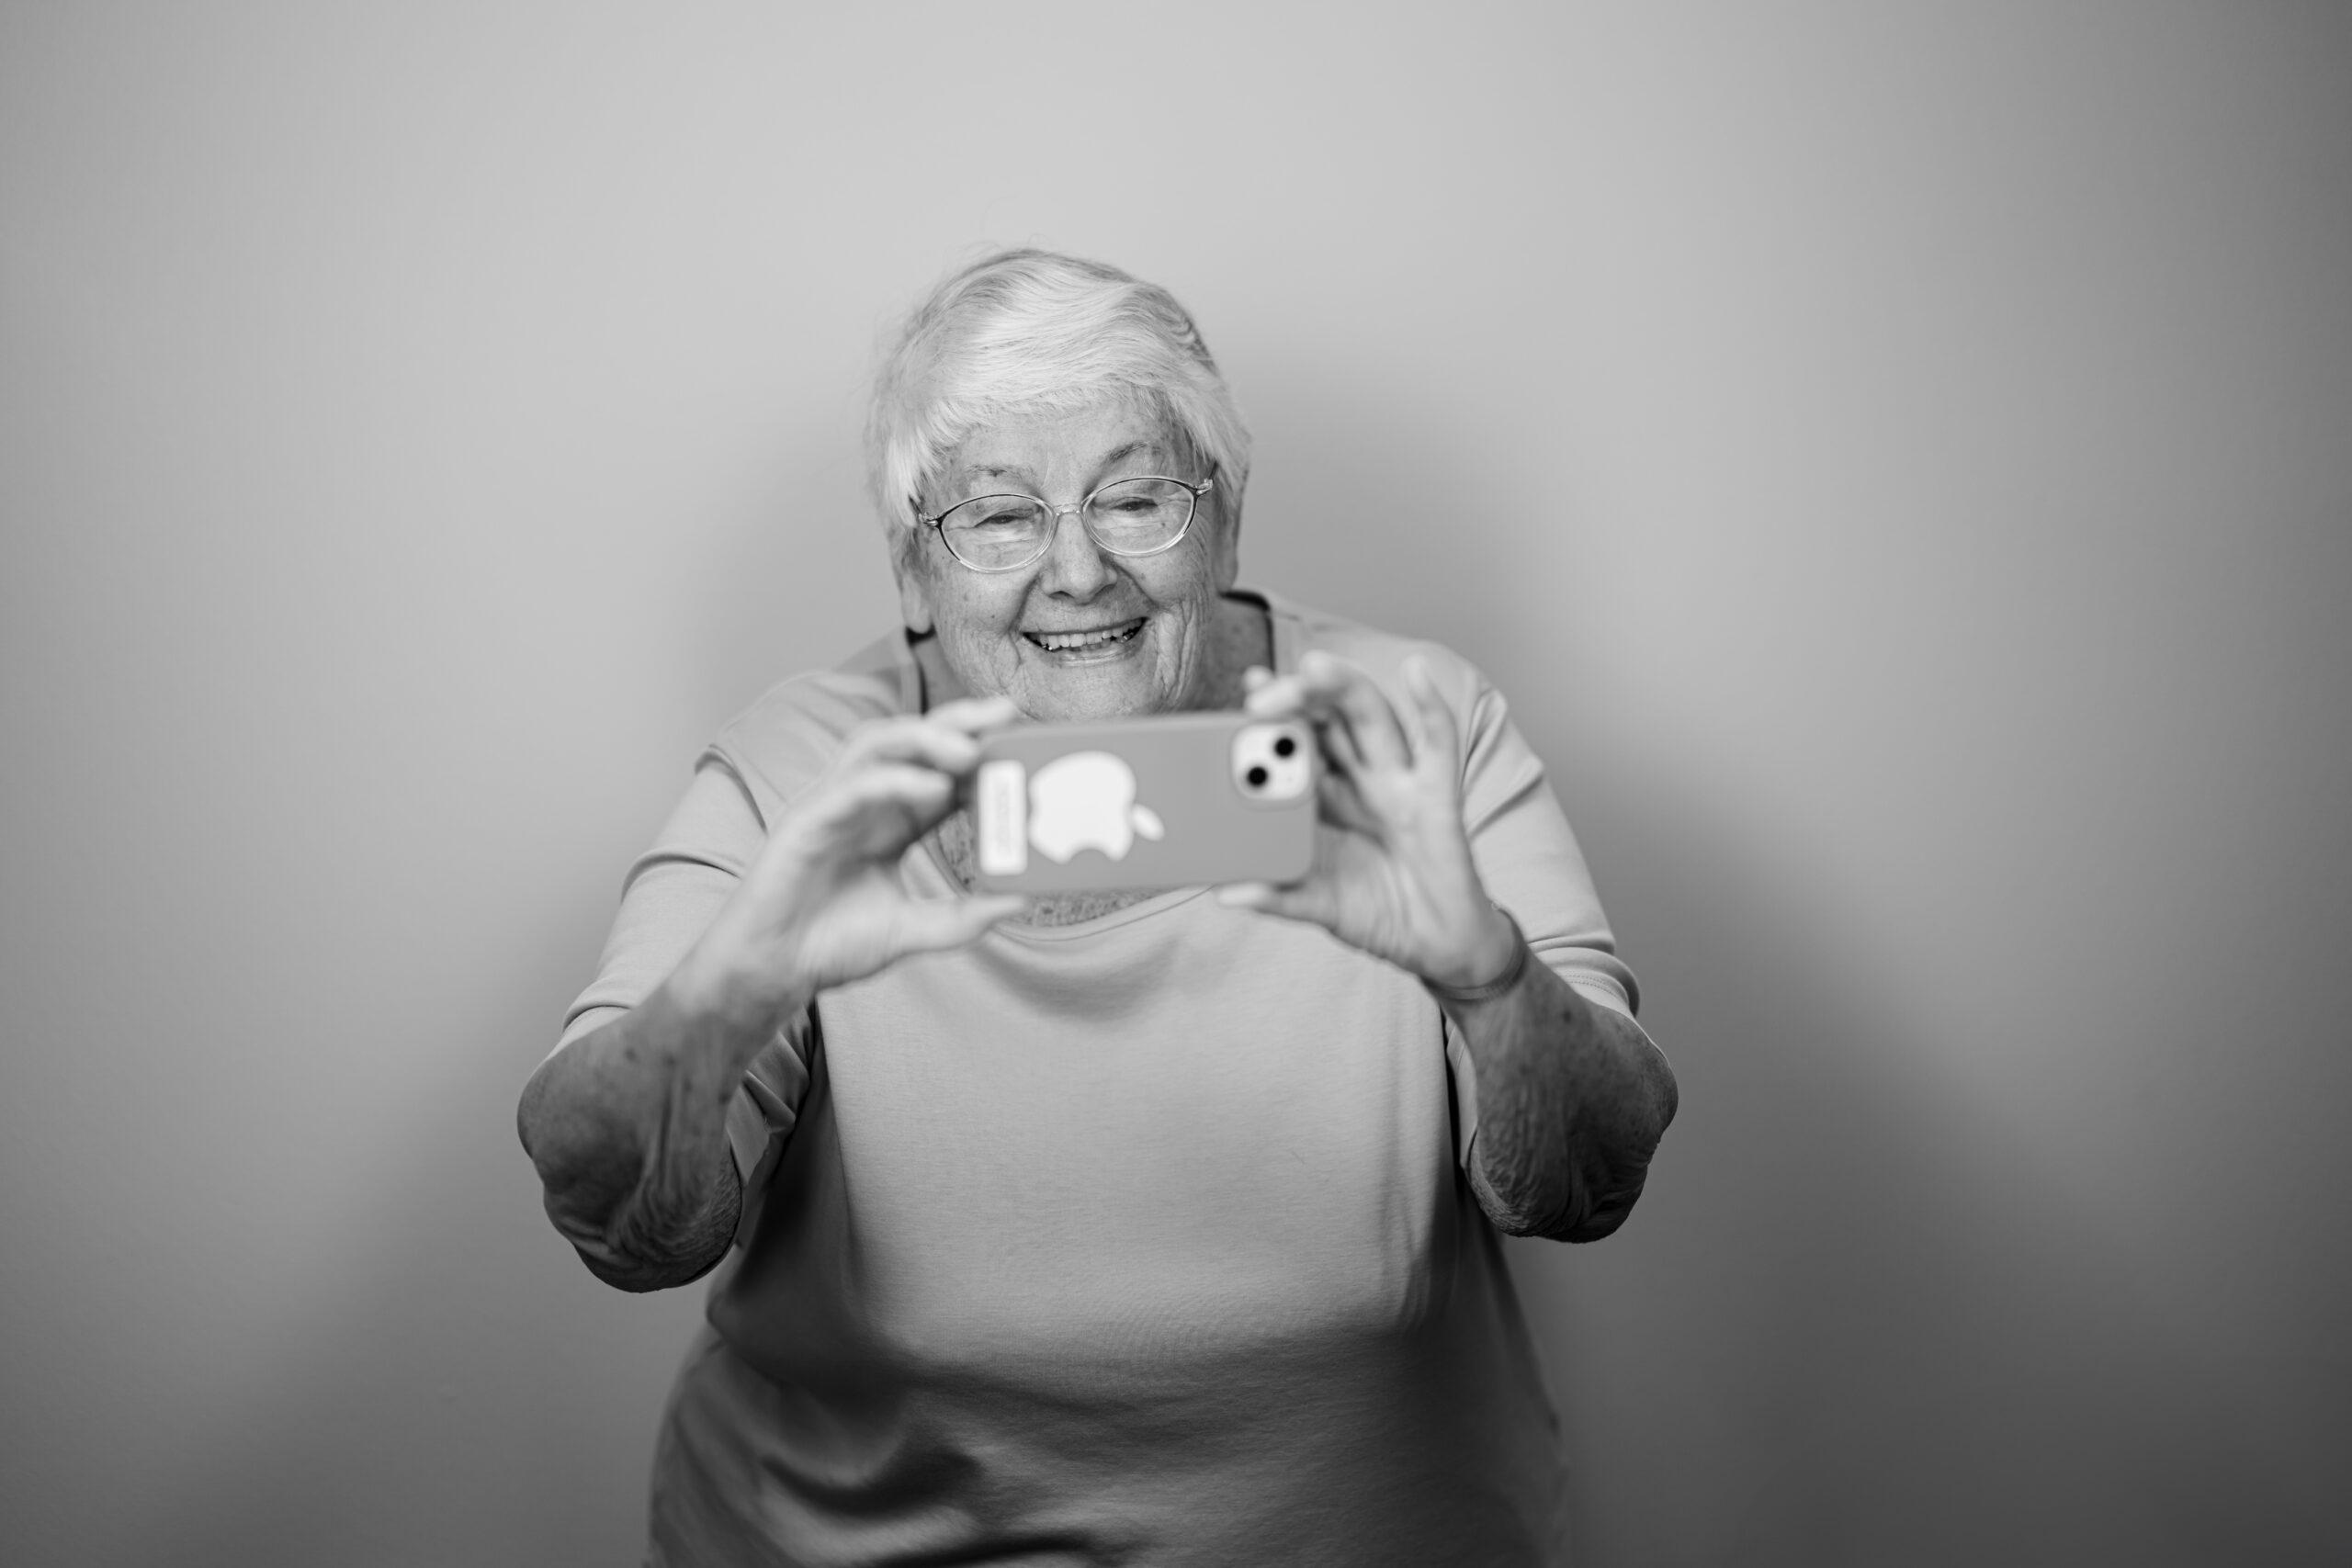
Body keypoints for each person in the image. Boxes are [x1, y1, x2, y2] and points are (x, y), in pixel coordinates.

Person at [517, 249, 1679, 1566]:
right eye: (999, 518)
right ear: (912, 571)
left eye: (1136, 501)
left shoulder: (1410, 727)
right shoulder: (802, 776)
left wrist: (1485, 974)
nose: (1078, 573)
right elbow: (613, 1214)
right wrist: (732, 994)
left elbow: (1591, 1179)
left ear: (1225, 526)